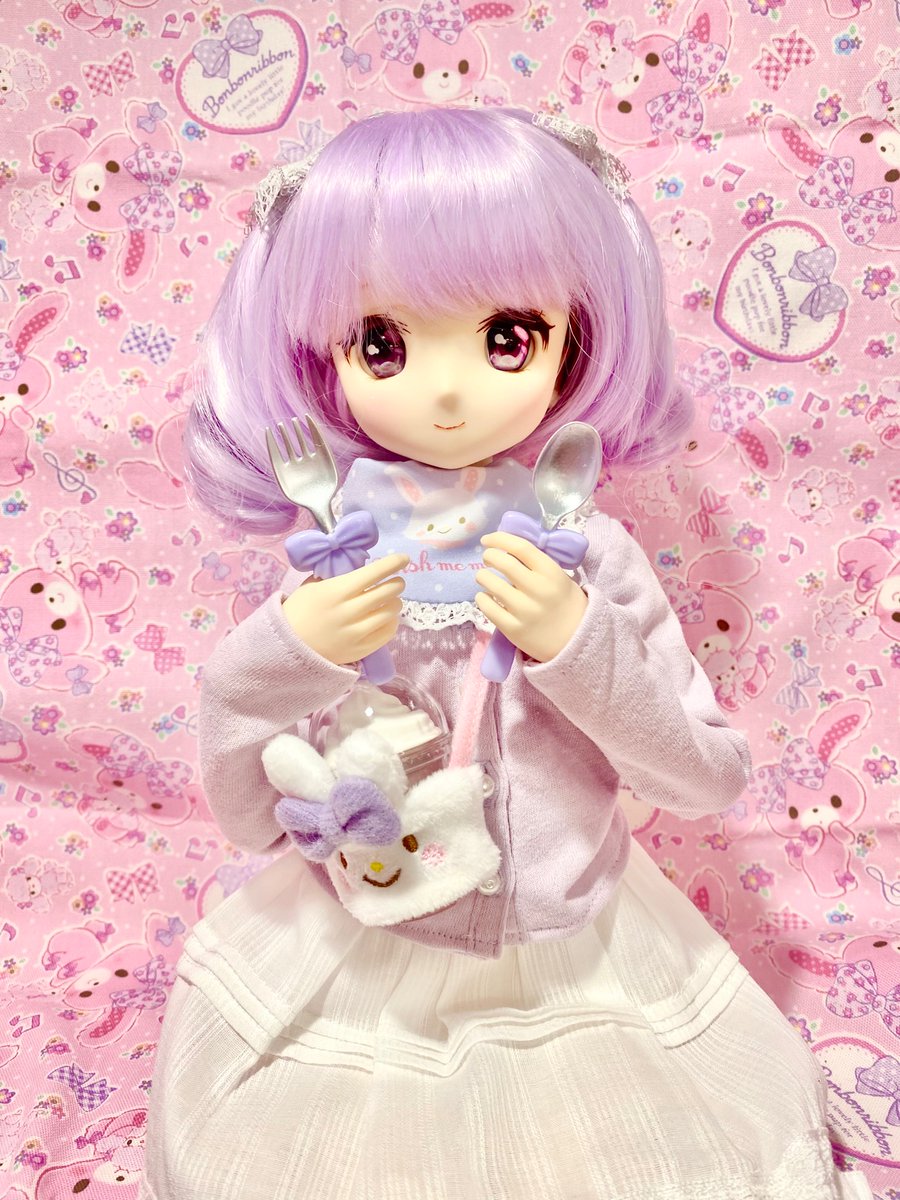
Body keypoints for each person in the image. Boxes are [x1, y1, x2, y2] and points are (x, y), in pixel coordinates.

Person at [140, 107, 868, 1200]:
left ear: (576, 340)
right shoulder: (337, 551)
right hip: (364, 937)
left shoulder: (588, 553)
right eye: (383, 344)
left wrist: (578, 645)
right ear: (323, 360)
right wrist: (290, 653)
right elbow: (250, 814)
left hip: (575, 947)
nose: (446, 390)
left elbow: (704, 777)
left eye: (506, 338)